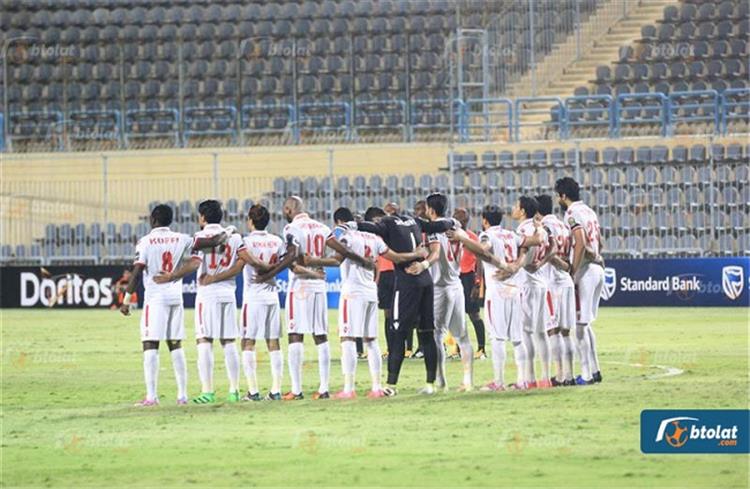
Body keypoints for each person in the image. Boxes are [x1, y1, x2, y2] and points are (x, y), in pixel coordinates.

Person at [255, 196, 366, 400]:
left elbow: (292, 255)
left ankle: (296, 390)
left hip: (300, 286)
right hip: (319, 286)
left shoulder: (291, 228)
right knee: (320, 336)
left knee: (295, 334)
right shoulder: (322, 228)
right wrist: (361, 260)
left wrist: (270, 273)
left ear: (289, 209)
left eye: (285, 209)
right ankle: (324, 389)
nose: (284, 212)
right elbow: (341, 250)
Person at [154, 200, 262, 404]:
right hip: (228, 294)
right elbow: (243, 262)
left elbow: (195, 263)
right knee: (229, 342)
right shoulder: (235, 237)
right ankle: (234, 390)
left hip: (208, 294)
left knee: (204, 341)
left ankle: (208, 391)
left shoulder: (200, 237)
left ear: (203, 217)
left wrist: (173, 276)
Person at [120, 204, 227, 406]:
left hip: (155, 298)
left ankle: (151, 397)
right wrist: (228, 232)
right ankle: (182, 395)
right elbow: (214, 241)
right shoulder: (182, 238)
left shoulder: (145, 241)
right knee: (175, 345)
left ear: (153, 220)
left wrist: (126, 301)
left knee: (150, 343)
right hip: (175, 298)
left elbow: (137, 272)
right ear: (170, 220)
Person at [318, 207, 428, 398]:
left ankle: (348, 389)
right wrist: (415, 254)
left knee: (347, 339)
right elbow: (397, 257)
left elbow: (336, 259)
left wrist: (311, 261)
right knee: (371, 340)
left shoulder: (347, 237)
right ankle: (376, 387)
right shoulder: (375, 239)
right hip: (370, 292)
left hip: (353, 292)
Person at [355, 200, 457, 396]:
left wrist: (349, 225)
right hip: (426, 280)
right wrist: (452, 221)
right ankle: (430, 384)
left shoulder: (386, 224)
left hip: (407, 282)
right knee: (427, 334)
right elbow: (439, 225)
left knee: (398, 335)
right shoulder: (414, 221)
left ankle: (391, 385)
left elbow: (367, 227)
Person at [448, 204, 544, 391]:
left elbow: (482, 249)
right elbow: (537, 240)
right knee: (517, 338)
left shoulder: (487, 235)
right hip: (515, 289)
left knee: (497, 337)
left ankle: (498, 382)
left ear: (484, 220)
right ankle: (523, 380)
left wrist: (462, 237)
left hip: (498, 290)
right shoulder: (511, 234)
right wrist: (539, 227)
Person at [197, 204, 286, 401]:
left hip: (253, 297)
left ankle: (253, 391)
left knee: (247, 342)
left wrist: (214, 277)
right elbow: (283, 262)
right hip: (272, 296)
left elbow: (241, 264)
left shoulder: (245, 241)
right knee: (274, 342)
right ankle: (276, 390)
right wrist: (270, 272)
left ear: (250, 221)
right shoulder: (277, 241)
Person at [418, 194, 474, 391]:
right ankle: (467, 381)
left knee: (436, 336)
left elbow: (430, 253)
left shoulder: (431, 231)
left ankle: (441, 381)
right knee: (463, 337)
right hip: (456, 284)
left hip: (440, 288)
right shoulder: (456, 227)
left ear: (431, 210)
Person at [555, 177, 605, 384]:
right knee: (586, 323)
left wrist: (573, 270)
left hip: (585, 272)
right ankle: (595, 369)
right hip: (597, 269)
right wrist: (597, 256)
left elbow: (581, 243)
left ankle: (586, 375)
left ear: (563, 196)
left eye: (558, 196)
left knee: (579, 326)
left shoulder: (572, 213)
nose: (557, 199)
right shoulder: (589, 211)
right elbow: (599, 241)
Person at [513, 196, 554, 389]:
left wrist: (525, 264)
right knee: (541, 332)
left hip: (527, 284)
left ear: (522, 211)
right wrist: (542, 262)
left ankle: (528, 379)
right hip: (542, 283)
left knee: (525, 332)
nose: (513, 209)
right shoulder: (540, 228)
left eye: (516, 206)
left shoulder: (523, 230)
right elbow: (552, 247)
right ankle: (545, 377)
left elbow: (525, 256)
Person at [536, 194, 577, 386]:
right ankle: (570, 375)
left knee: (552, 330)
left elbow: (548, 252)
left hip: (552, 282)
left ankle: (560, 375)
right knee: (566, 331)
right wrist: (567, 267)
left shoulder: (544, 227)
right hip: (566, 281)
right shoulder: (563, 225)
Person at [453, 207, 486, 359]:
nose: (460, 221)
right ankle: (458, 348)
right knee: (457, 316)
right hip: (454, 278)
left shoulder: (472, 237)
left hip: (468, 278)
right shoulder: (450, 237)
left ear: (467, 221)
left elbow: (480, 261)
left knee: (474, 314)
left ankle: (481, 348)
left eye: (463, 218)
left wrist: (477, 283)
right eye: (457, 218)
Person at [365, 206, 395, 360]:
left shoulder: (391, 230)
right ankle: (392, 349)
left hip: (394, 272)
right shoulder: (371, 237)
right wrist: (376, 279)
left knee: (398, 313)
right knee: (388, 313)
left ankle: (404, 348)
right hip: (384, 274)